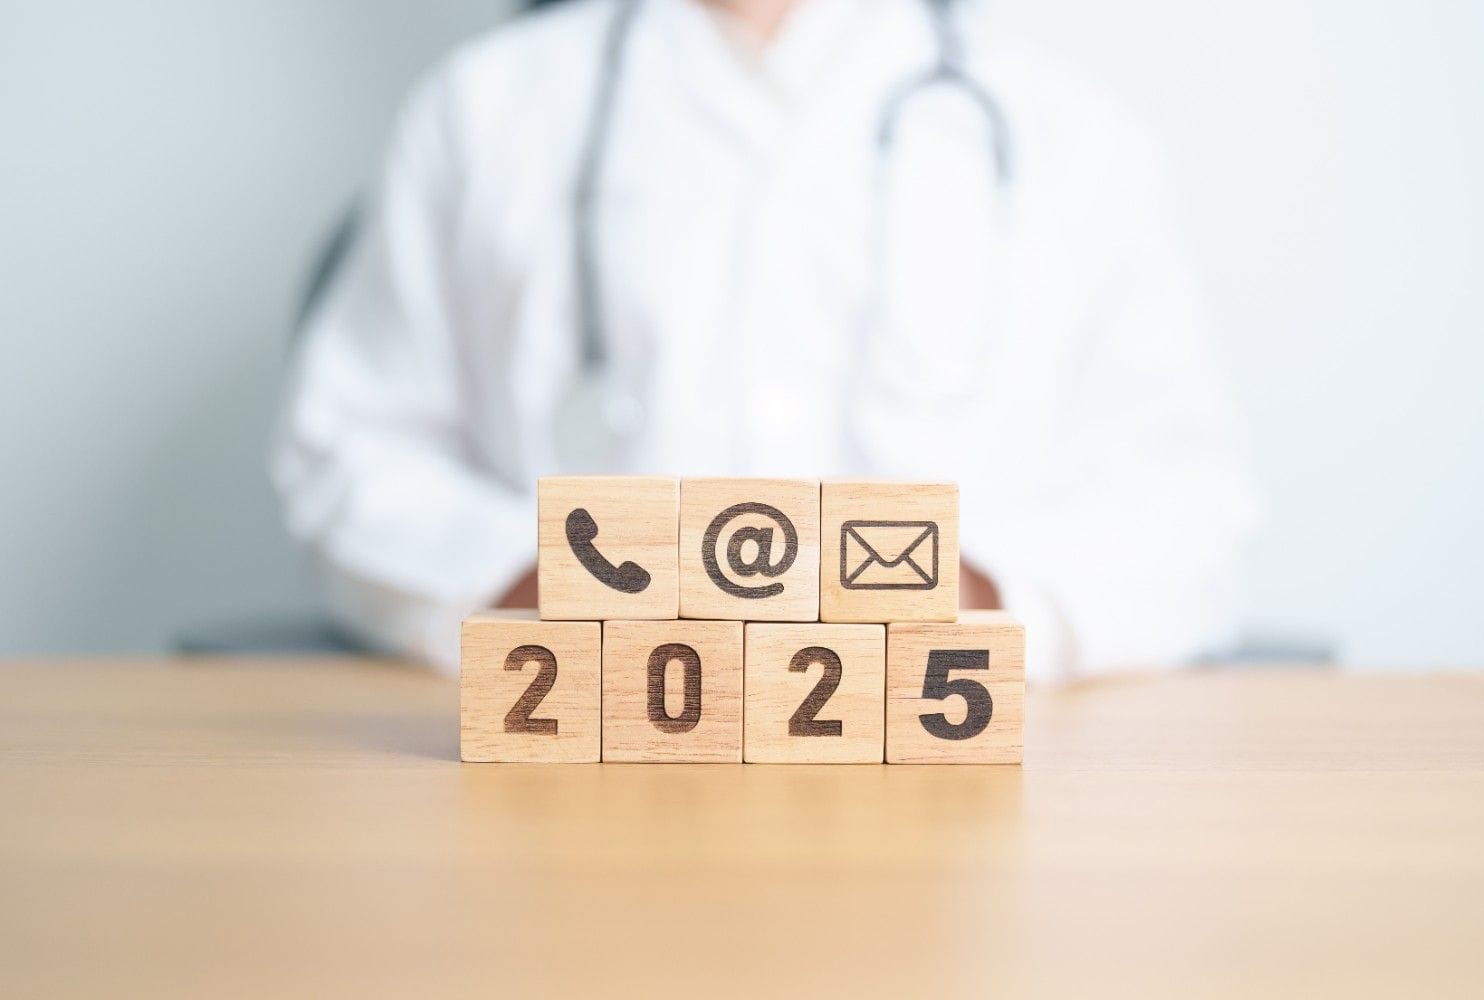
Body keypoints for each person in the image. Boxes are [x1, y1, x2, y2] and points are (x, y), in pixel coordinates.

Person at [270, 0, 1257, 680]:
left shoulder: (1071, 134)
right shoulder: (484, 110)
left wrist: (965, 597)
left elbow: (1184, 504)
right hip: (575, 776)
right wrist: (557, 588)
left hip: (961, 798)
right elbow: (351, 455)